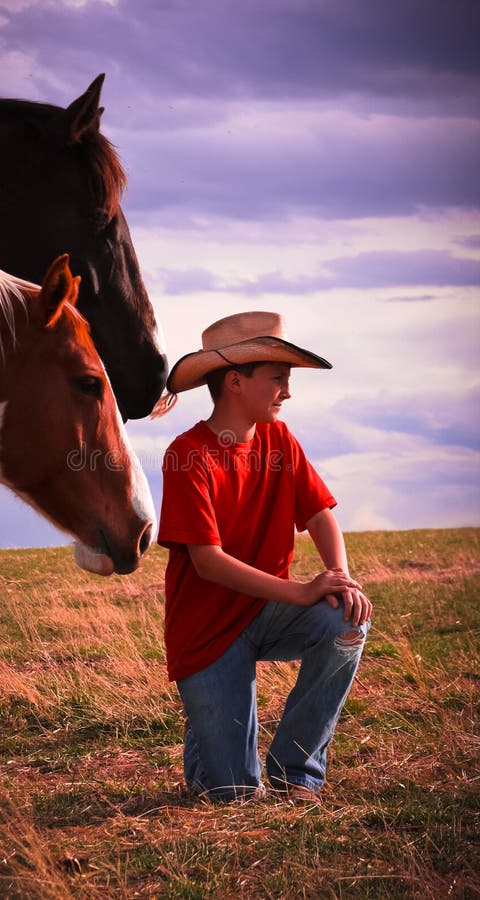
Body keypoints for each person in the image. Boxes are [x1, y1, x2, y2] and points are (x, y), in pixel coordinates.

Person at [156, 311, 372, 803]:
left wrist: (339, 578)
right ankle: (210, 740)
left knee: (347, 619)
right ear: (235, 381)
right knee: (231, 794)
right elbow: (207, 561)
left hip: (267, 613)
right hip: (208, 633)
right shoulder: (187, 454)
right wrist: (301, 590)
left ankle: (297, 772)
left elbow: (320, 515)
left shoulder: (280, 439)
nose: (287, 392)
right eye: (278, 379)